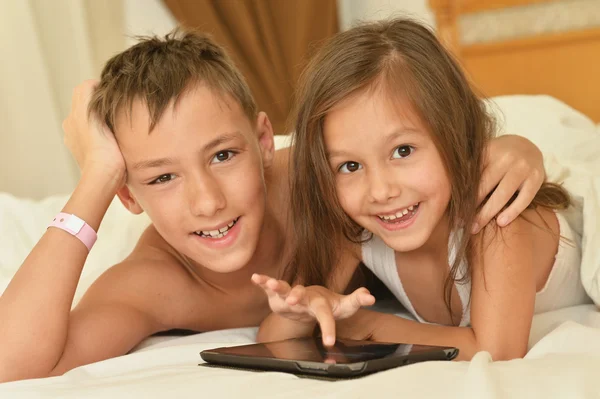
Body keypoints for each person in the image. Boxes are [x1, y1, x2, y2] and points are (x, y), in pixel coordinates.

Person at [0, 29, 547, 382]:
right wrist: (95, 176)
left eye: (223, 155)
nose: (207, 201)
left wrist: (512, 148)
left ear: (266, 141)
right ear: (127, 194)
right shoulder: (150, 283)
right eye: (161, 177)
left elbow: (419, 149)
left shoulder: (321, 176)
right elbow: (12, 364)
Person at [252, 18, 592, 361]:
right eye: (350, 166)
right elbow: (272, 336)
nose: (380, 191)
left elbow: (497, 350)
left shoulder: (495, 218)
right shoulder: (355, 230)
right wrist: (308, 307)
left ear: (453, 134)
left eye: (403, 151)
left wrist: (362, 325)